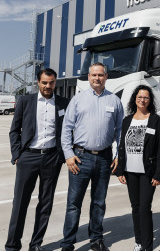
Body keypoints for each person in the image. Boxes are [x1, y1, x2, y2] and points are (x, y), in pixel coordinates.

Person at [59, 62, 124, 251]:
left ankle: (96, 239)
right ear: (88, 77)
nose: (97, 78)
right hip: (80, 158)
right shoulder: (78, 100)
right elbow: (66, 129)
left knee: (99, 202)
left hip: (104, 158)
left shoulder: (114, 101)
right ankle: (68, 243)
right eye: (94, 75)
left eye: (101, 75)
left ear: (106, 77)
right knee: (73, 203)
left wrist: (119, 154)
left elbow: (120, 130)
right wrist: (68, 155)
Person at [6, 68, 70, 251]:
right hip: (28, 157)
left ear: (55, 83)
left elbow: (68, 130)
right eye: (44, 82)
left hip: (52, 158)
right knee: (20, 203)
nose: (47, 86)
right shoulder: (25, 101)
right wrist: (17, 154)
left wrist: (62, 156)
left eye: (51, 83)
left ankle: (36, 244)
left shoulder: (63, 103)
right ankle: (12, 246)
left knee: (45, 203)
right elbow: (14, 130)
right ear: (38, 82)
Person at [115, 85, 160, 251]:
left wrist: (159, 173)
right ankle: (138, 242)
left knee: (145, 208)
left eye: (146, 97)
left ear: (150, 100)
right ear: (134, 100)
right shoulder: (127, 121)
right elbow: (121, 146)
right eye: (140, 97)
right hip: (130, 172)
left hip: (147, 172)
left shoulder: (156, 121)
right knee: (135, 208)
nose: (142, 100)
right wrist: (120, 170)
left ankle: (147, 246)